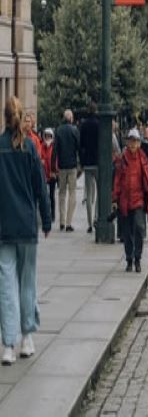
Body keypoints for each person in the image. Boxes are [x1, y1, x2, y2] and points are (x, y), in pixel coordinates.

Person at [0, 96, 51, 365]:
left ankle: (8, 344)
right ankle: (27, 339)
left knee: (6, 285)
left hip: (4, 225)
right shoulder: (30, 147)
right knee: (27, 282)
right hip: (27, 223)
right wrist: (47, 218)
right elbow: (40, 186)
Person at [112, 128, 148, 273]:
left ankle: (138, 258)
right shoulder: (122, 159)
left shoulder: (143, 158)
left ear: (139, 143)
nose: (133, 144)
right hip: (125, 201)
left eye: (135, 141)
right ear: (128, 142)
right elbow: (117, 179)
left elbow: (147, 180)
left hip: (138, 200)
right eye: (131, 141)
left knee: (139, 228)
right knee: (127, 232)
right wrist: (115, 198)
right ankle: (129, 259)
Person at [54, 109, 81, 232]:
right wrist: (81, 163)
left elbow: (55, 150)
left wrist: (53, 165)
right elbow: (79, 148)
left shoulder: (58, 130)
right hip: (72, 166)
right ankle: (69, 223)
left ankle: (62, 222)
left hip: (62, 166)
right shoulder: (74, 130)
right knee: (72, 194)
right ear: (71, 118)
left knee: (61, 193)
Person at [79, 102, 100, 233]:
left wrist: (81, 162)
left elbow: (81, 145)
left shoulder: (84, 125)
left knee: (89, 193)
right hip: (98, 162)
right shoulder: (99, 124)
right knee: (99, 192)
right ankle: (96, 217)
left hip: (87, 163)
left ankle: (89, 223)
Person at [39, 128, 58, 222]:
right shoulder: (41, 146)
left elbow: (56, 160)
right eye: (46, 135)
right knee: (44, 196)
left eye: (49, 136)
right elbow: (40, 157)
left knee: (51, 195)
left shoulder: (54, 147)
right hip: (43, 174)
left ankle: (53, 215)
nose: (47, 137)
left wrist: (55, 172)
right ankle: (45, 215)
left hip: (52, 174)